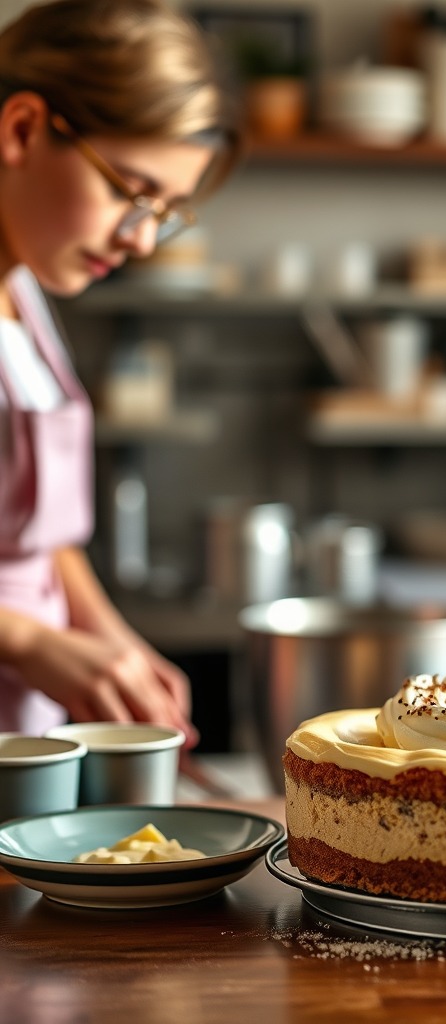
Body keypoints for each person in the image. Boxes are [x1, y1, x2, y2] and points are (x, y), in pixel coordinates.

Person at [0, 0, 242, 740]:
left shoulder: (26, 292)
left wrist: (109, 637)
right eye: (127, 192)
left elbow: (36, 539)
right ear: (22, 130)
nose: (140, 241)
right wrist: (32, 643)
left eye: (164, 211)